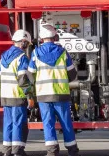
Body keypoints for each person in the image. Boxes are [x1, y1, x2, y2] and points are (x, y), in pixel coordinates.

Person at [28, 24, 79, 156]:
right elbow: (72, 74)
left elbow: (30, 74)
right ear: (54, 36)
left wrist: (36, 85)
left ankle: (52, 152)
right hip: (61, 94)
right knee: (66, 122)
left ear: (41, 38)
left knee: (48, 123)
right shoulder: (63, 52)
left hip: (44, 94)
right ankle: (73, 151)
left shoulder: (35, 53)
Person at [0, 30, 33, 156]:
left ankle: (7, 151)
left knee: (8, 123)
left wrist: (3, 92)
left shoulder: (4, 57)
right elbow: (23, 80)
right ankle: (17, 151)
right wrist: (29, 95)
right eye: (27, 44)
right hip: (17, 96)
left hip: (6, 96)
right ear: (23, 42)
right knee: (18, 123)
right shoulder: (22, 57)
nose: (27, 46)